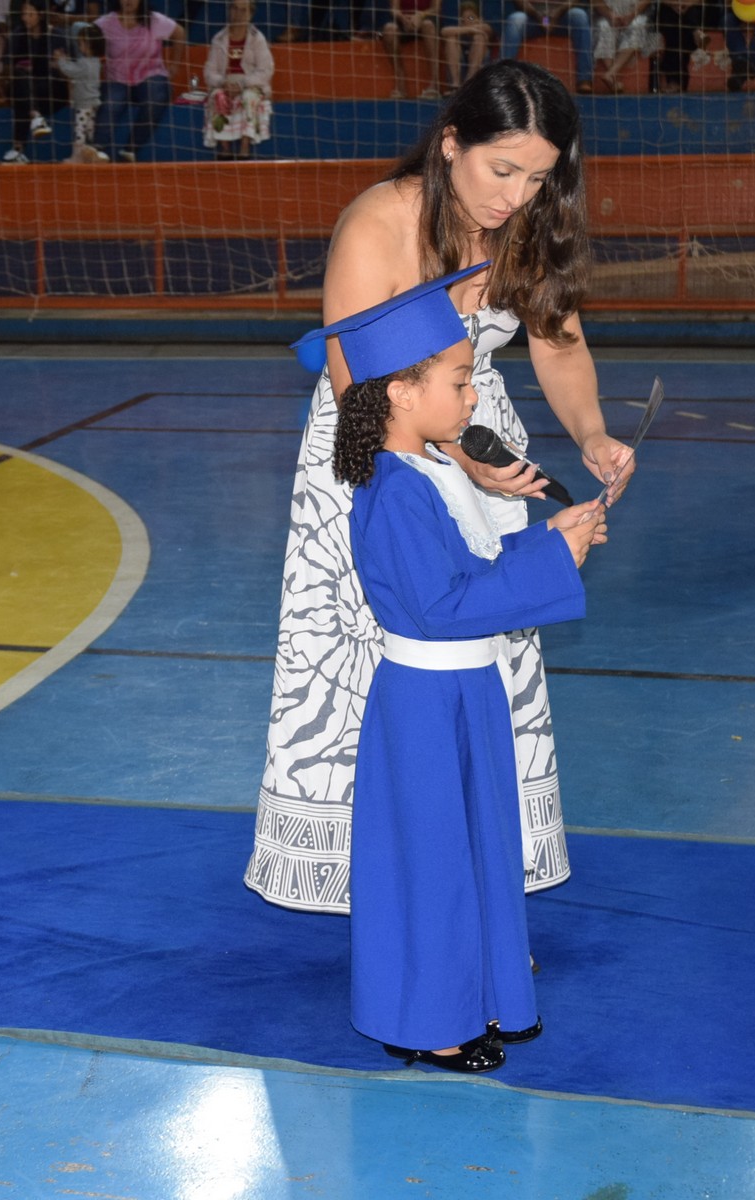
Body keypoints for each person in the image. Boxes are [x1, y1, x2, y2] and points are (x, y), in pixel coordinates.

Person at [246, 60, 635, 930]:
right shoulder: (378, 223)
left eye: (538, 179)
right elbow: (358, 382)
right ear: (451, 143)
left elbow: (558, 344)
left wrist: (591, 434)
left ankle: (471, 868)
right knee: (369, 654)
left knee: (483, 644)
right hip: (375, 447)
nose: (517, 196)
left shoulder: (523, 226)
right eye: (503, 171)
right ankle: (383, 877)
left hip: (472, 428)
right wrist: (457, 456)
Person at [292, 264, 606, 1072]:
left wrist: (550, 540)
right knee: (434, 859)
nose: (473, 398)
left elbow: (470, 567)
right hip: (427, 697)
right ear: (399, 391)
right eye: (460, 381)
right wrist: (550, 564)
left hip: (467, 688)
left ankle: (487, 996)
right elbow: (438, 606)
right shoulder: (392, 491)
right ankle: (429, 1021)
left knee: (480, 845)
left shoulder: (430, 470)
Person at [94, 0, 187, 162]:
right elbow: (85, 38)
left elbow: (180, 33)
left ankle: (131, 149)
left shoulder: (154, 20)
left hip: (150, 75)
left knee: (157, 97)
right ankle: (97, 151)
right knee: (110, 104)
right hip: (117, 79)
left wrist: (175, 65)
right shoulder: (106, 23)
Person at [203, 0, 274, 156]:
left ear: (250, 13)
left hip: (250, 84)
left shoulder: (257, 38)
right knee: (218, 96)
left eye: (243, 10)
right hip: (225, 83)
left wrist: (243, 83)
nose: (238, 14)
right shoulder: (219, 38)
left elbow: (265, 70)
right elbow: (209, 71)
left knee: (248, 97)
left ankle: (244, 148)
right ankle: (225, 149)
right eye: (235, 8)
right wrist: (223, 83)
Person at [501, 0, 595, 94]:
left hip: (562, 15)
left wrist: (558, 13)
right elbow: (520, 2)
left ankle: (584, 79)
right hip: (533, 16)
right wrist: (538, 16)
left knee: (579, 15)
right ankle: (503, 74)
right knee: (515, 19)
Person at [3, 0, 56, 162]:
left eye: (30, 14)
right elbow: (6, 69)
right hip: (20, 85)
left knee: (23, 97)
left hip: (47, 89)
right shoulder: (17, 35)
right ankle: (36, 116)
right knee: (21, 81)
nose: (25, 18)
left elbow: (61, 68)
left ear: (40, 15)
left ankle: (18, 150)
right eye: (24, 14)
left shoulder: (55, 35)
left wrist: (56, 63)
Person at [53, 24, 111, 161]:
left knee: (79, 130)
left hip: (84, 103)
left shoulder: (85, 63)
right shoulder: (96, 62)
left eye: (80, 43)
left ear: (89, 45)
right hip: (93, 103)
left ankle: (77, 156)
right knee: (89, 130)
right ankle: (92, 154)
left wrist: (61, 60)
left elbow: (71, 71)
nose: (79, 46)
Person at [381, 0, 441, 99]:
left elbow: (436, 9)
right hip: (404, 21)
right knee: (389, 29)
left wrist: (420, 16)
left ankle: (434, 85)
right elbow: (394, 9)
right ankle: (401, 86)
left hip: (427, 19)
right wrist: (403, 18)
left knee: (428, 25)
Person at [651, 0, 714, 93]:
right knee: (672, 22)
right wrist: (674, 4)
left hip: (693, 9)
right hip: (667, 11)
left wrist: (687, 4)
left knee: (682, 24)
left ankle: (674, 82)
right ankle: (696, 32)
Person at [591, 0, 651, 92]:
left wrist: (631, 15)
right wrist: (610, 15)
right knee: (604, 26)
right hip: (606, 15)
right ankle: (614, 81)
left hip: (634, 14)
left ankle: (611, 73)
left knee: (638, 25)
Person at [441, 0, 493, 94]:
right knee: (450, 39)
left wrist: (475, 28)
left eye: (471, 17)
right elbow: (444, 31)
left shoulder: (484, 28)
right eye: (464, 18)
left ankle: (469, 84)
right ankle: (455, 86)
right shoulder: (459, 32)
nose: (468, 21)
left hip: (477, 76)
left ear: (479, 18)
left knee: (479, 38)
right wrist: (468, 29)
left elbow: (487, 28)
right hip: (459, 71)